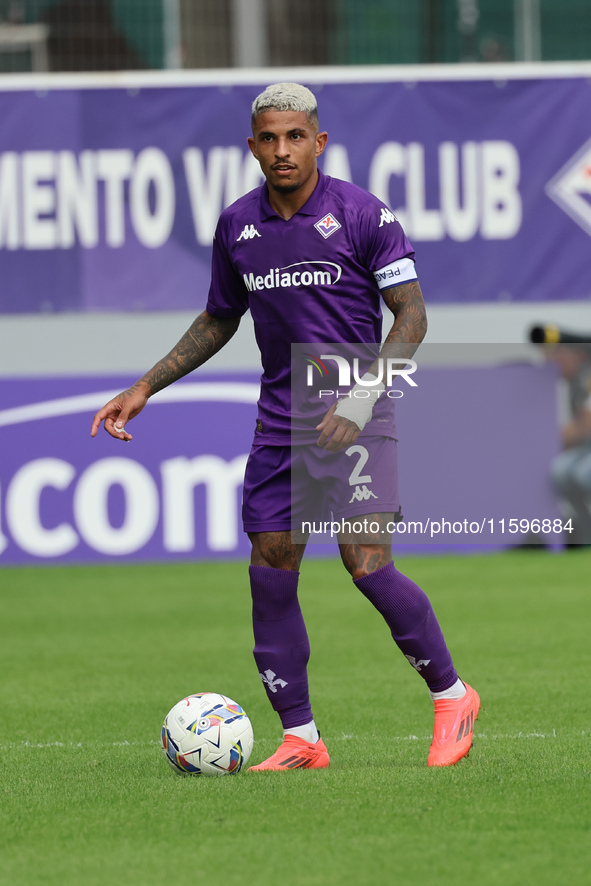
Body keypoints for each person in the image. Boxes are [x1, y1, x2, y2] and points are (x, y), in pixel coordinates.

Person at [91, 82, 480, 770]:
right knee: (271, 567)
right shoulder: (238, 224)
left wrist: (360, 401)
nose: (281, 150)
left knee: (365, 564)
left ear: (318, 141)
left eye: (294, 136)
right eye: (268, 138)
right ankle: (300, 736)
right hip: (281, 417)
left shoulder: (362, 214)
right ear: (252, 147)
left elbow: (412, 317)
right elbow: (218, 318)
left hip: (357, 408)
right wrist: (144, 386)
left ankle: (451, 694)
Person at [548, 342, 591, 545]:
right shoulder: (570, 385)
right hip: (585, 448)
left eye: (560, 355)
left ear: (577, 356)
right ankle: (587, 533)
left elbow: (586, 424)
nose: (554, 361)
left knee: (584, 473)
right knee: (560, 469)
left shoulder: (587, 377)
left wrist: (553, 438)